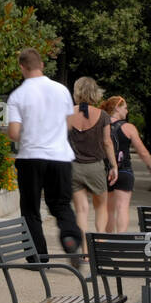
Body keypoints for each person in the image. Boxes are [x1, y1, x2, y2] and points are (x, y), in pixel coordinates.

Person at [6, 48, 82, 262]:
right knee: (60, 203)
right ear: (41, 65)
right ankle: (70, 237)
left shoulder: (18, 95)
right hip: (60, 156)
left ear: (22, 67)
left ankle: (37, 256)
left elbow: (13, 132)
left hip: (31, 157)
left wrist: (31, 133)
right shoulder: (61, 90)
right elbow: (68, 124)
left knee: (30, 208)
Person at [67, 77, 117, 238]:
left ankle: (85, 251)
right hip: (95, 167)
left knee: (81, 210)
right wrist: (114, 166)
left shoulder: (67, 114)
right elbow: (107, 143)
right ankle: (99, 245)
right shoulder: (102, 116)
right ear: (95, 93)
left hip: (73, 167)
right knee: (101, 208)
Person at [99, 95, 151, 233]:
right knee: (122, 208)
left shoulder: (101, 126)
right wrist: (150, 165)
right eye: (125, 108)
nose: (127, 111)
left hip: (105, 172)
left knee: (109, 210)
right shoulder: (128, 127)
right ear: (117, 108)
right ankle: (120, 242)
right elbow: (141, 151)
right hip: (124, 171)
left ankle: (107, 241)